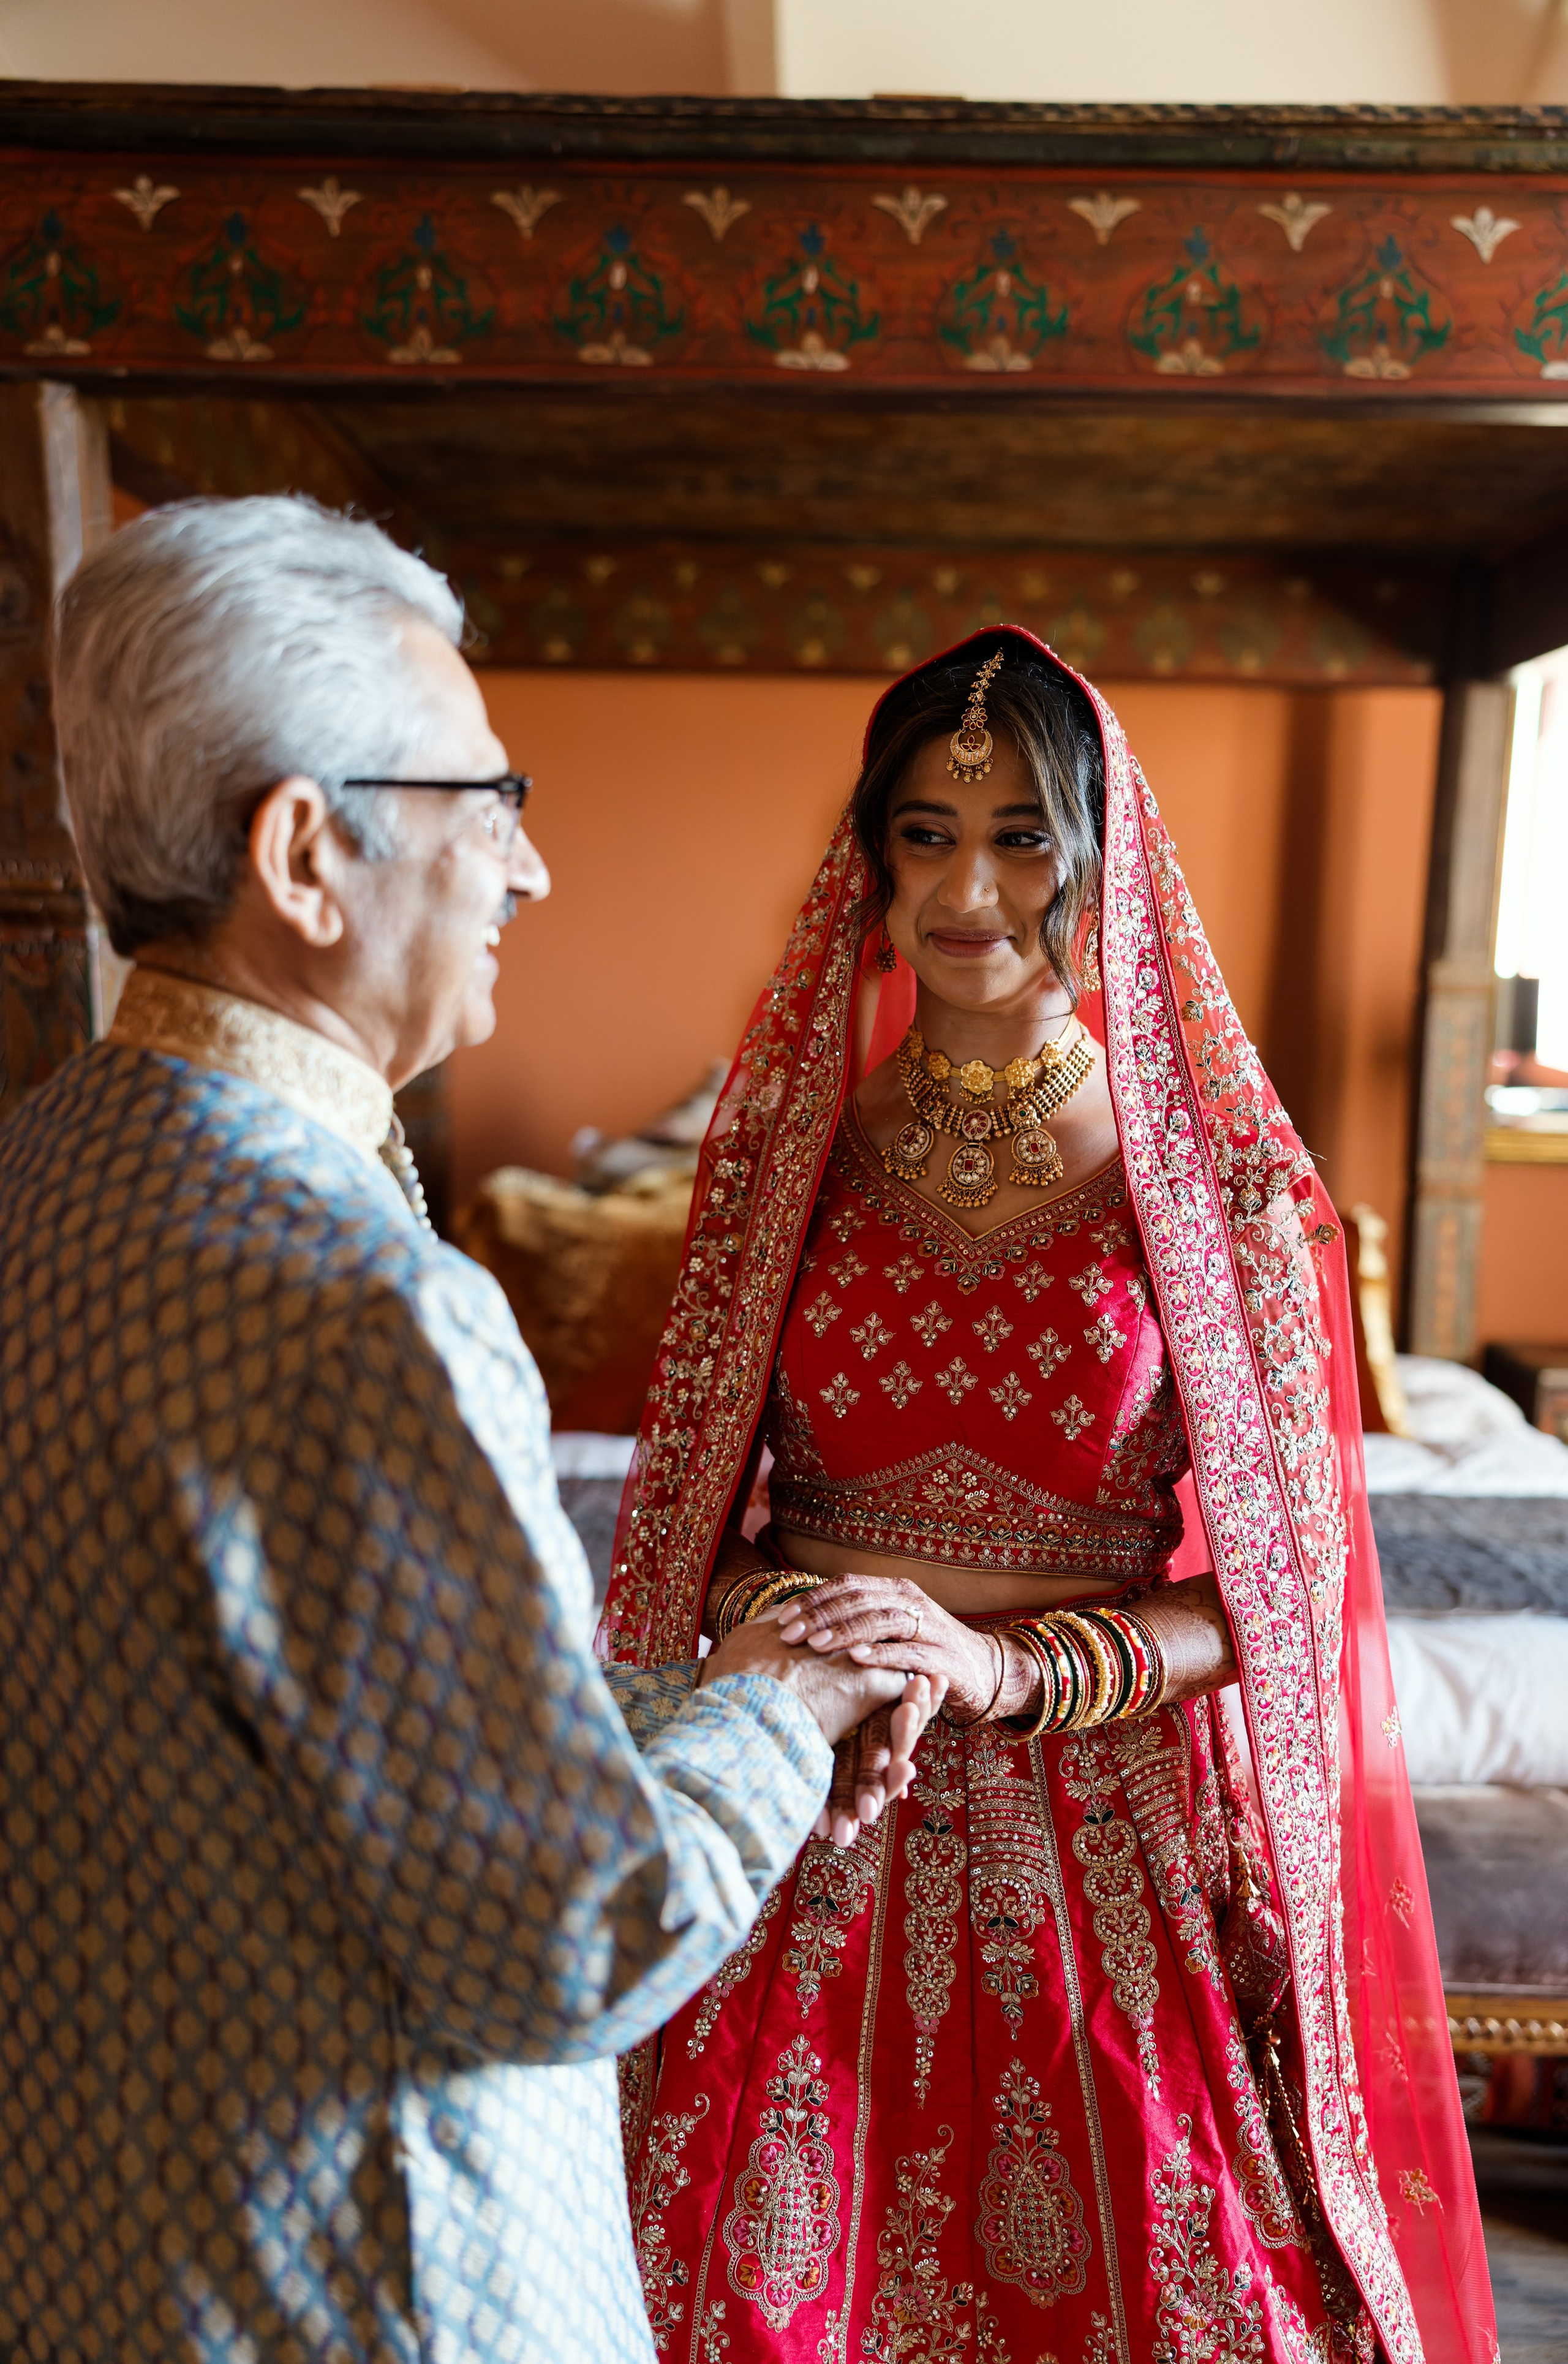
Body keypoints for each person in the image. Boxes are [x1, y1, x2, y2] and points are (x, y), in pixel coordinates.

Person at [0, 495, 937, 2364]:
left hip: (88, 2248)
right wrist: (790, 1705)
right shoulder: (369, 1302)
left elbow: (301, 1746)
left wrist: (711, 1676)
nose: (531, 873)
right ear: (305, 855)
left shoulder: (39, 1176)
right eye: (488, 802)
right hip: (377, 2279)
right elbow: (567, 1939)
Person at [603, 629, 1496, 2364]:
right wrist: (803, 1630)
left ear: (1103, 857)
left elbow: (1283, 1599)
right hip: (815, 1804)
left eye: (1022, 835)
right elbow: (677, 1534)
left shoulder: (1220, 1183)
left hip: (1097, 1837)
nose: (970, 887)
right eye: (925, 832)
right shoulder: (789, 1148)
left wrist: (1007, 1668)